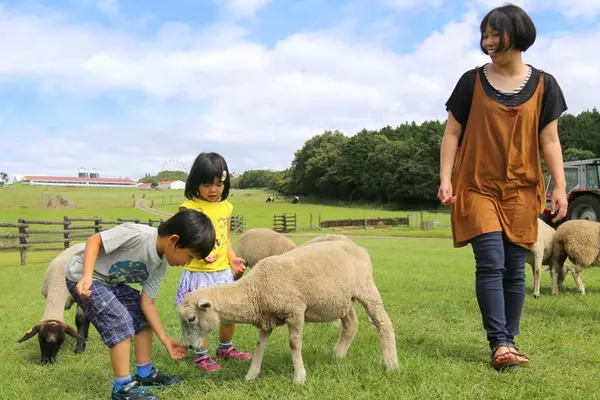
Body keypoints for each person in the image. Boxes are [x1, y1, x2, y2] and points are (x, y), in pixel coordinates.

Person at [438, 3, 568, 371]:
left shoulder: (545, 84)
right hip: (476, 185)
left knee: (515, 267)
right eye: (485, 33)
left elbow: (550, 140)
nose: (488, 40)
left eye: (496, 33)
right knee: (491, 261)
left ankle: (508, 340)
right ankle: (499, 342)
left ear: (520, 35)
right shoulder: (471, 81)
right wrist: (446, 178)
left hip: (523, 188)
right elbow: (452, 133)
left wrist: (559, 186)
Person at [65, 209, 216, 400]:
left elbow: (148, 303)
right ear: (174, 241)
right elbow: (94, 241)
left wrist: (166, 340)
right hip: (82, 277)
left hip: (110, 282)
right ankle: (122, 390)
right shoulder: (137, 235)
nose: (187, 263)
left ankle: (145, 374)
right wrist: (86, 276)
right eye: (189, 256)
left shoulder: (160, 265)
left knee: (141, 316)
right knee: (119, 319)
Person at [174, 151, 251, 372]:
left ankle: (225, 348)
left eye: (218, 184)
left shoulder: (226, 207)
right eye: (207, 184)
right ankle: (201, 355)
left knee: (230, 311)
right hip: (199, 271)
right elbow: (183, 240)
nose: (213, 190)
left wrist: (233, 257)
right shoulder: (189, 208)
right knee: (200, 316)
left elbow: (225, 237)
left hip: (222, 271)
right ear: (196, 183)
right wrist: (199, 253)